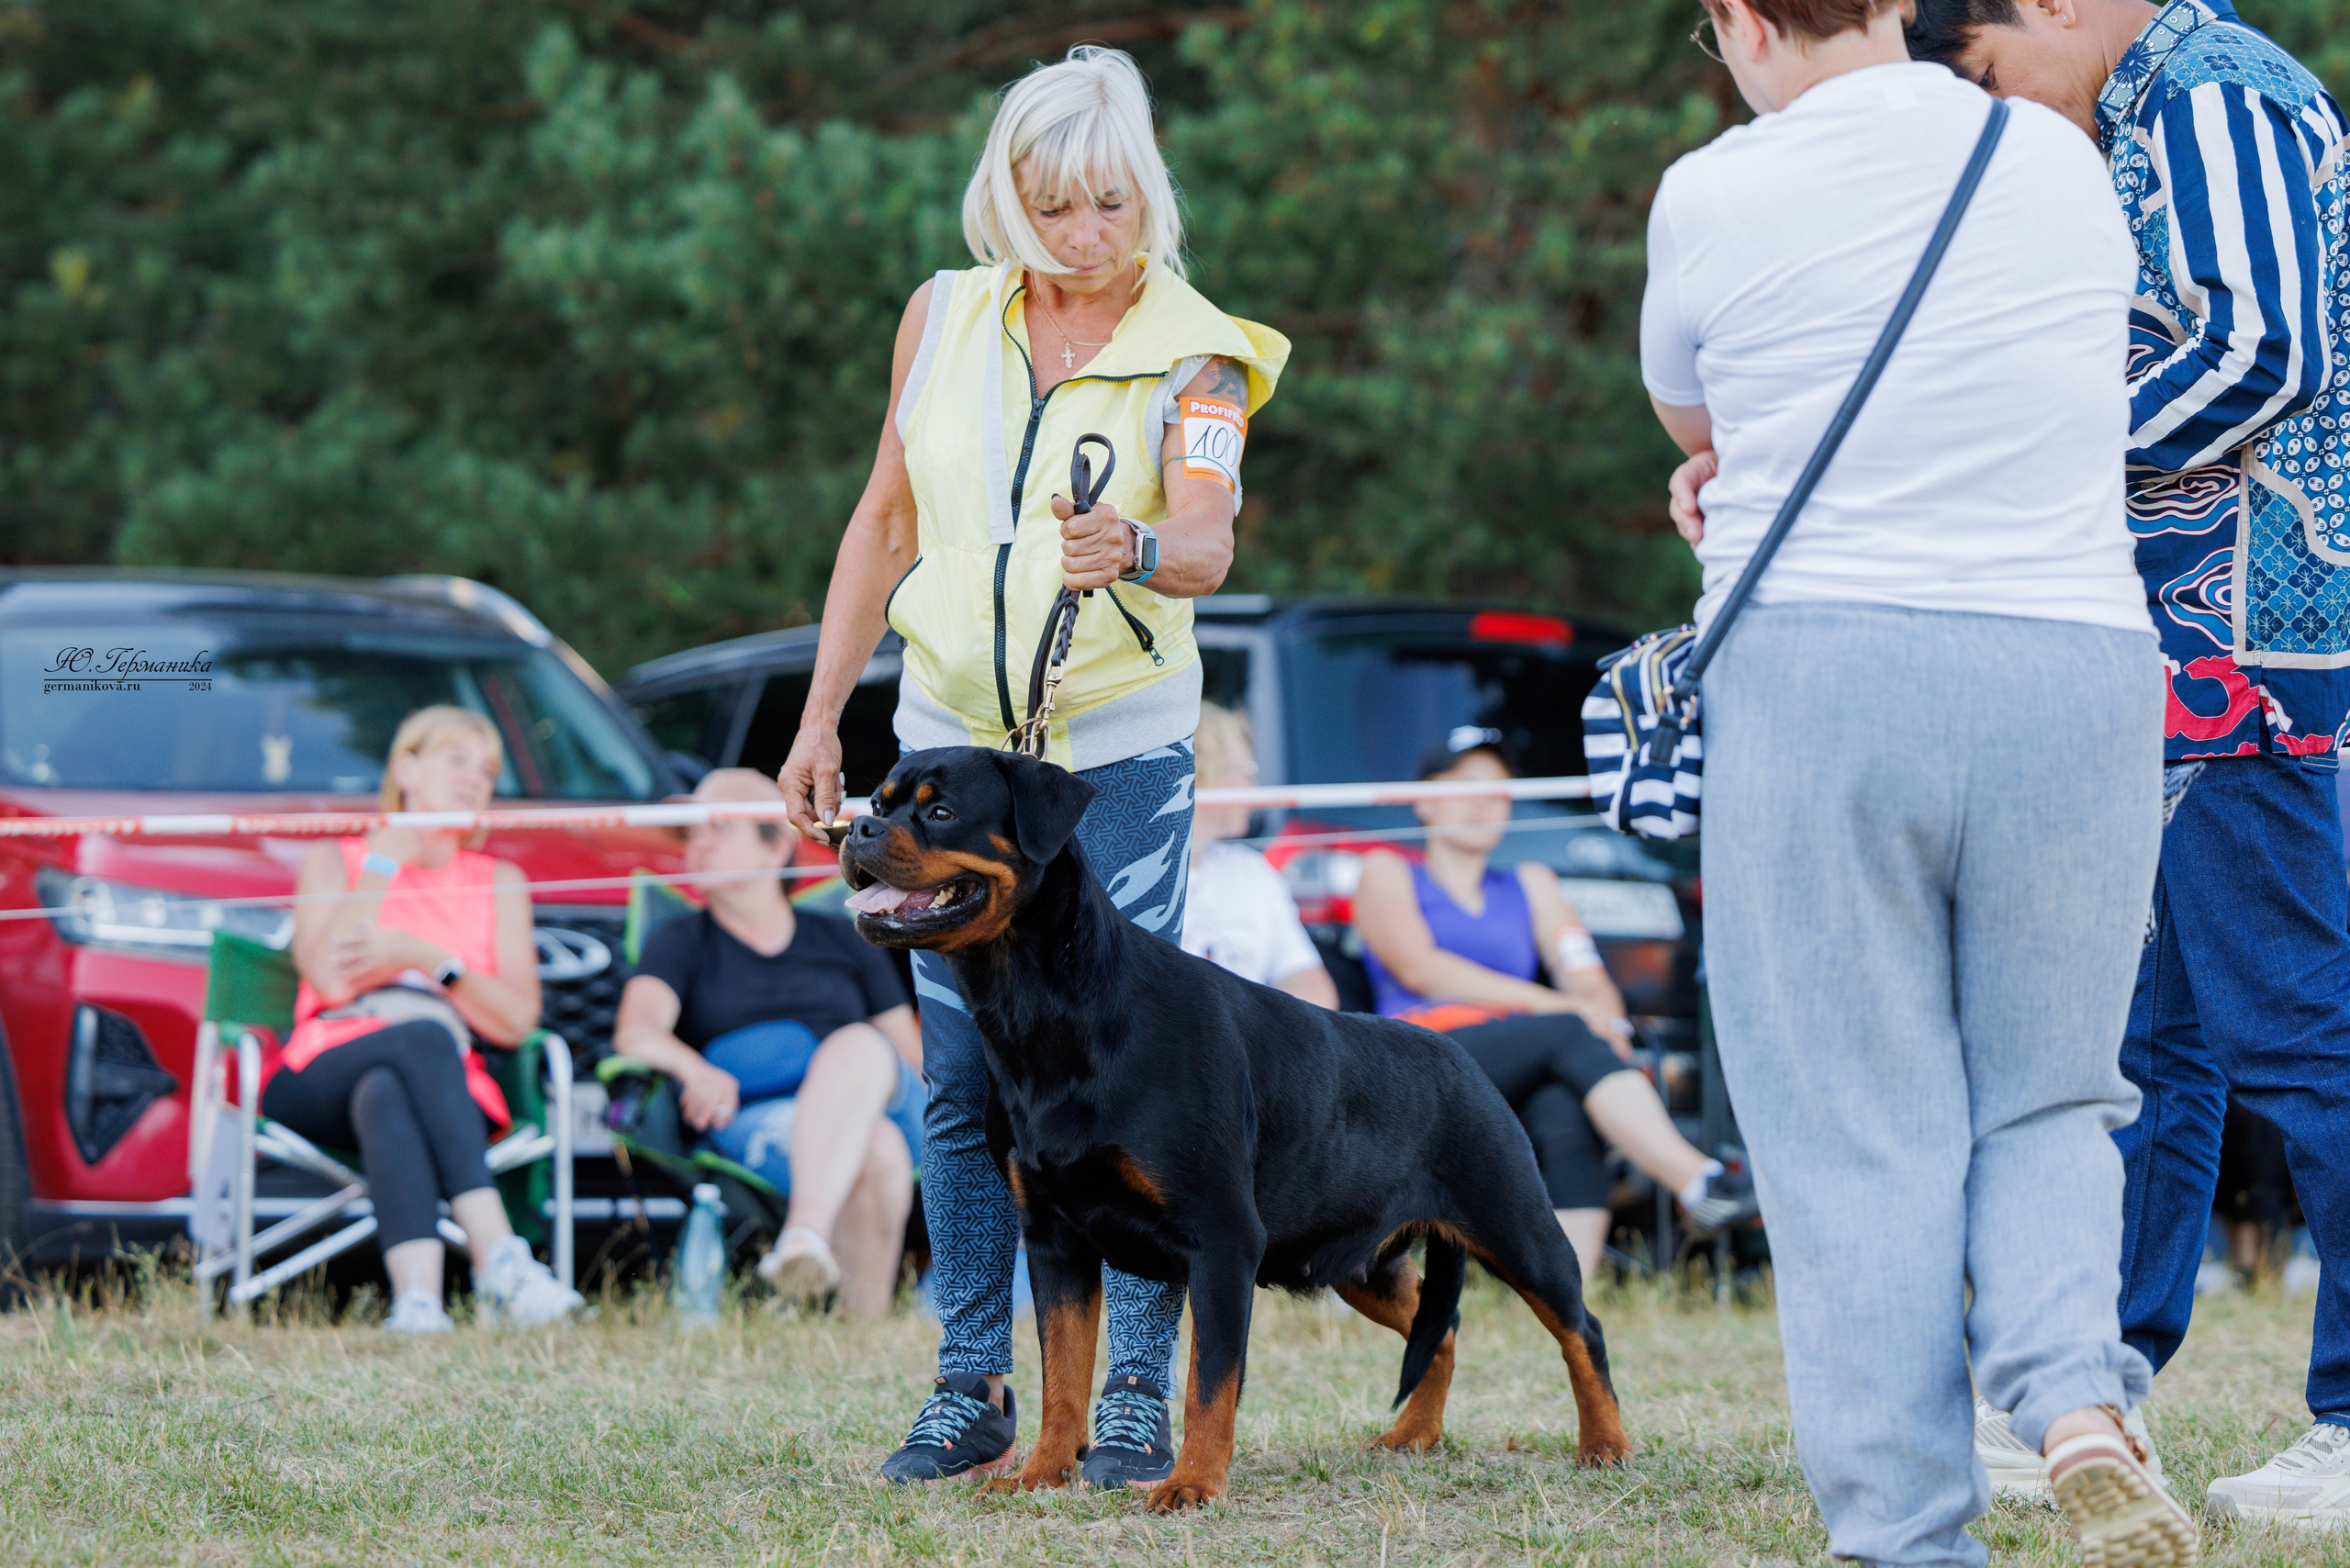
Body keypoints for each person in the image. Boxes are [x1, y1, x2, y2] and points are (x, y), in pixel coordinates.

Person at [1652, 0, 2194, 1562]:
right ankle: (2077, 1397)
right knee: (2051, 1090)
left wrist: (1720, 456)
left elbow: (1696, 420)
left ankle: (1906, 1532)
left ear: (1746, 21)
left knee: (1851, 1125)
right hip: (2077, 662)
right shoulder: (2056, 155)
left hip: (1825, 668)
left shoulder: (1713, 187)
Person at [771, 45, 1289, 1486]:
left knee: (1141, 1085)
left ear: (1149, 197)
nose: (1084, 237)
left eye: (1110, 205)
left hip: (1117, 756)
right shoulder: (940, 318)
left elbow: (1208, 538)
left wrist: (1130, 543)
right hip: (946, 743)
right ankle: (971, 1385)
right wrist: (821, 722)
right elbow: (882, 524)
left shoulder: (1200, 348)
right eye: (1052, 206)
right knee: (960, 1085)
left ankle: (1132, 1393)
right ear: (1006, 196)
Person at [1908, 0, 2350, 1531]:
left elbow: (2263, 350)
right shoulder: (2164, 103)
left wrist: (2034, 446)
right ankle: (2090, 1380)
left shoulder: (2210, 98)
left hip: (2243, 616)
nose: (2009, 106)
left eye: (1987, 70)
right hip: (2178, 622)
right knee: (2153, 1027)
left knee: (2295, 1011)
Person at [1352, 729, 1756, 1281]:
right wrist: (1555, 1008)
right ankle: (1700, 1181)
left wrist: (1602, 1019)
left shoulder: (1532, 883)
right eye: (1466, 785)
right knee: (1566, 1032)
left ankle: (1567, 1297)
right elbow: (1417, 966)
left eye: (1499, 791)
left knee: (1563, 1103)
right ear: (1424, 798)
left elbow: (1585, 974)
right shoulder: (1388, 869)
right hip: (1417, 1057)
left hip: (1510, 1058)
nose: (1483, 802)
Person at [265, 706, 584, 1332]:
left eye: (487, 769)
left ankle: (417, 1303)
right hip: (324, 1062)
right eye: (456, 759)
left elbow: (518, 1022)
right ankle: (498, 1257)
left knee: (390, 1086)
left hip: (446, 1082)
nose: (474, 779)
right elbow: (331, 981)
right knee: (419, 1037)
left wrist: (427, 960)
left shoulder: (498, 881)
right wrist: (382, 864)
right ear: (405, 768)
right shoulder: (340, 860)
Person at [610, 769, 922, 1317]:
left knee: (860, 1045)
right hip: (761, 1118)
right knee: (876, 1146)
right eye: (692, 831)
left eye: (719, 827)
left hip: (882, 1097)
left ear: (776, 845)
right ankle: (861, 1326)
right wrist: (694, 1069)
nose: (698, 842)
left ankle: (802, 1233)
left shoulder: (844, 937)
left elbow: (908, 1052)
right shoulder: (680, 941)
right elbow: (636, 1031)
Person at [1180, 703, 1338, 1006]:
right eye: (1246, 771)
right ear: (1201, 770)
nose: (1255, 787)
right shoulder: (1134, 874)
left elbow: (1311, 985)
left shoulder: (1251, 870)